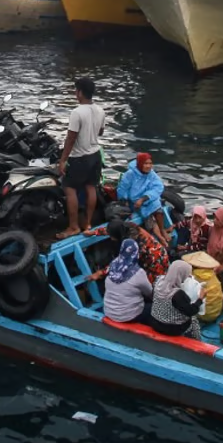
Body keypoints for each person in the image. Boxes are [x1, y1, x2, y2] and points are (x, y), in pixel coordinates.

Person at [57, 77, 105, 239]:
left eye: (75, 90)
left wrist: (63, 160)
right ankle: (88, 223)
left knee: (69, 189)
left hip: (80, 158)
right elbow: (101, 132)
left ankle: (73, 226)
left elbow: (70, 138)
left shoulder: (77, 112)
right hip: (95, 155)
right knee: (91, 187)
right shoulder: (100, 110)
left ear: (80, 92)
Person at [147, 261, 209, 340]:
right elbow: (191, 311)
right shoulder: (177, 294)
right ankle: (197, 341)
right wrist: (200, 298)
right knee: (193, 319)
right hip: (171, 329)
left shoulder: (158, 280)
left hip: (154, 322)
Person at [101, 239, 154, 324]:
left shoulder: (112, 265)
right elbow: (150, 293)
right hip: (128, 316)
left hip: (109, 311)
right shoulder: (138, 272)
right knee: (155, 307)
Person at [117, 152, 166, 241]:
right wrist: (125, 200)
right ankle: (159, 237)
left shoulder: (151, 174)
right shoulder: (130, 174)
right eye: (145, 163)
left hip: (147, 199)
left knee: (157, 206)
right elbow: (122, 189)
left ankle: (162, 230)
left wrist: (144, 198)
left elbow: (158, 187)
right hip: (135, 202)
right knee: (147, 214)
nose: (148, 166)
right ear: (140, 164)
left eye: (150, 163)